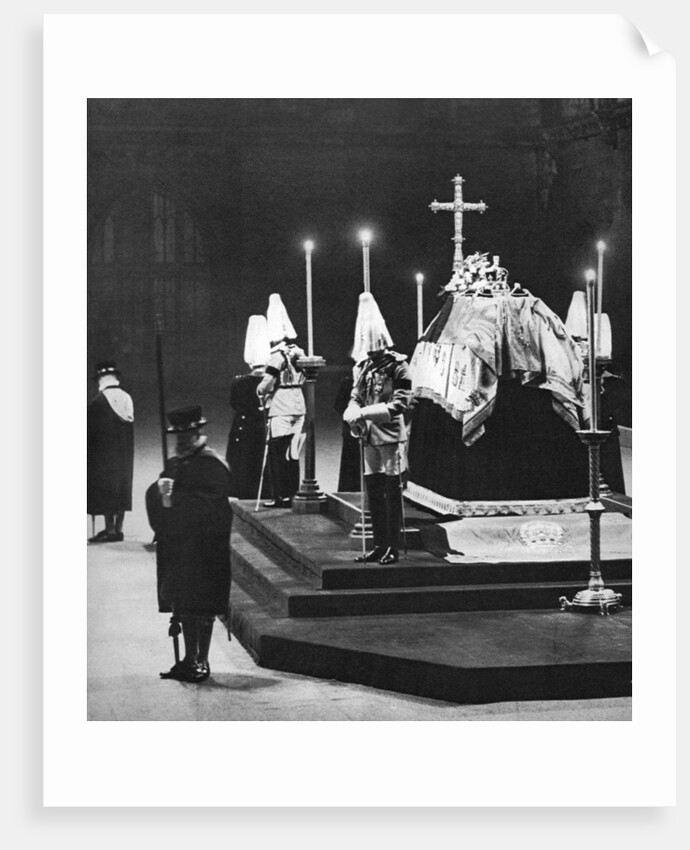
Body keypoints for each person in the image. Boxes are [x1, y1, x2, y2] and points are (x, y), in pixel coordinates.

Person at [145, 405, 232, 683]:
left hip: (205, 548)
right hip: (179, 546)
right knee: (182, 604)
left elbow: (211, 505)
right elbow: (158, 497)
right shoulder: (175, 464)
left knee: (202, 605)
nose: (181, 441)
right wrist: (159, 494)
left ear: (197, 433)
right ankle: (187, 659)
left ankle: (202, 660)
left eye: (186, 436)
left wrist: (174, 499)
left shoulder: (211, 465)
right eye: (178, 436)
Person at [343, 292, 412, 565]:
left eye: (374, 350)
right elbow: (356, 395)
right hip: (368, 435)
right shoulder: (364, 367)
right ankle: (379, 543)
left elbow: (399, 405)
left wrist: (363, 412)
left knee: (391, 491)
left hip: (390, 433)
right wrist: (352, 411)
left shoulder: (398, 367)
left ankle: (392, 546)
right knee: (373, 489)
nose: (370, 354)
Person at [256, 293, 306, 508]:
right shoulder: (299, 352)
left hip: (281, 406)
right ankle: (293, 493)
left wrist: (260, 390)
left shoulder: (277, 356)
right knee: (292, 453)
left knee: (277, 454)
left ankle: (280, 495)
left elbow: (266, 384)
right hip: (299, 404)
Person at [87, 360, 134, 542]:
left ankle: (110, 529)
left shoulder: (98, 401)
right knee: (122, 486)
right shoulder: (127, 398)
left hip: (105, 455)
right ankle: (119, 528)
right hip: (125, 454)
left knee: (107, 487)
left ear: (101, 379)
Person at [226, 315, 271, 500]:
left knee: (243, 463)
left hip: (244, 428)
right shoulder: (273, 382)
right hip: (265, 425)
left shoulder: (239, 383)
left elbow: (234, 403)